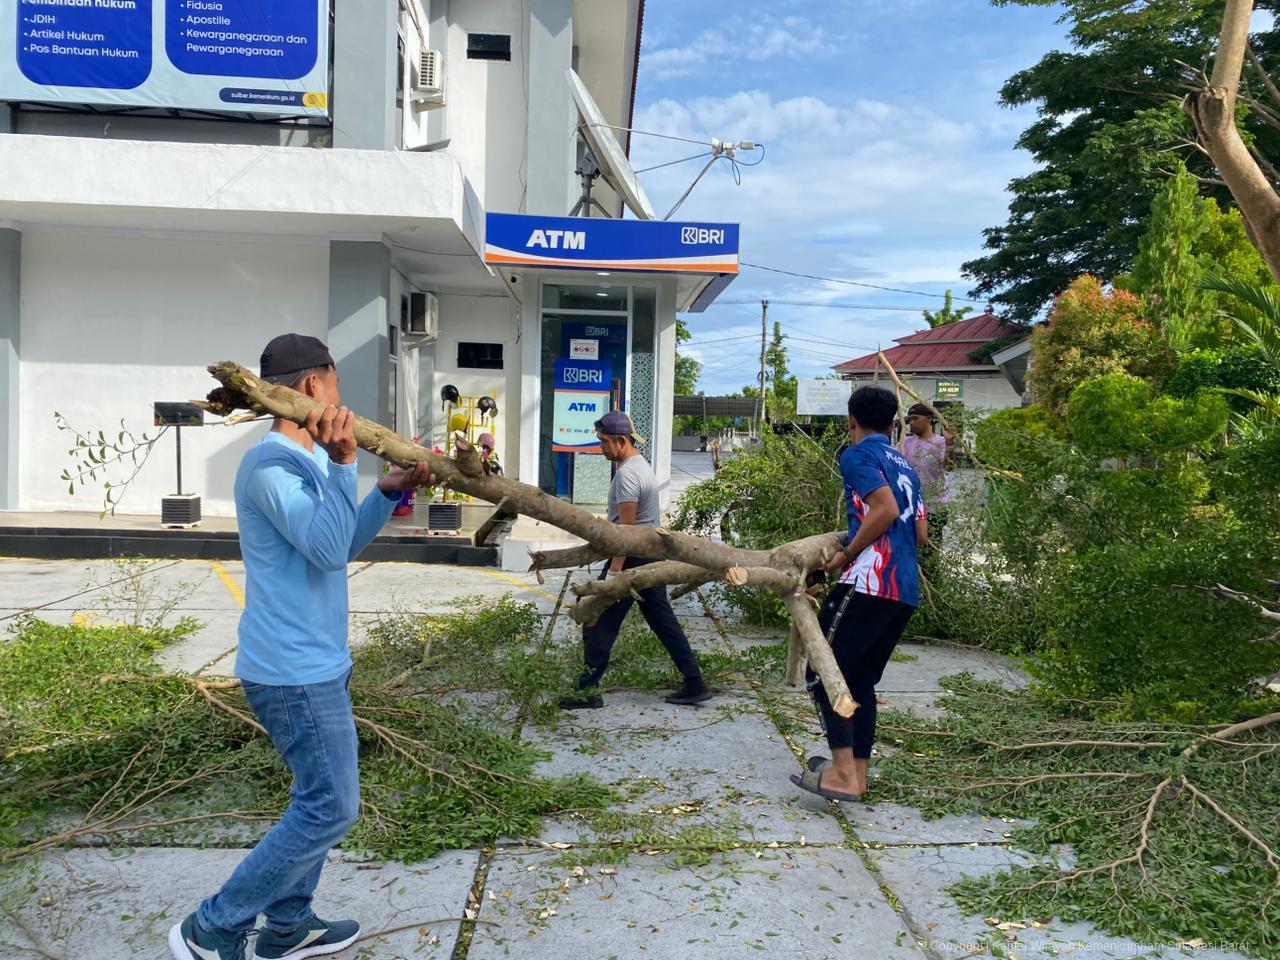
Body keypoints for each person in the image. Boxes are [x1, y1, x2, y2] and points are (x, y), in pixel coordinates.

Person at [169, 334, 432, 960]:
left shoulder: (306, 461)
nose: (342, 399)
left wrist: (385, 490)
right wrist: (346, 466)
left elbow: (336, 545)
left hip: (318, 663)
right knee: (332, 808)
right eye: (336, 384)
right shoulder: (270, 467)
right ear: (314, 386)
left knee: (315, 797)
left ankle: (288, 925)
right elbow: (326, 547)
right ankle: (213, 927)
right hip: (291, 673)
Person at [790, 386, 927, 803]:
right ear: (892, 424)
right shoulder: (906, 464)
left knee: (823, 673)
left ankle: (843, 776)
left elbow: (882, 510)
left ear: (851, 421)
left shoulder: (856, 455)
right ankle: (856, 776)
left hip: (870, 581)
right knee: (861, 680)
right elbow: (919, 532)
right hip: (904, 589)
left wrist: (849, 550)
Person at [559, 410, 713, 710]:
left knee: (596, 618)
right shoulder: (640, 465)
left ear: (621, 441)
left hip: (631, 560)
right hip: (647, 558)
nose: (600, 447)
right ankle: (695, 683)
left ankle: (587, 691)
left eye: (604, 442)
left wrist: (615, 572)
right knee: (663, 622)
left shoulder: (628, 475)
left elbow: (626, 533)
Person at [902, 402, 951, 545]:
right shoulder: (905, 442)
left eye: (916, 418)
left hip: (934, 507)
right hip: (910, 506)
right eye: (909, 419)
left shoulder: (940, 442)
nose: (911, 423)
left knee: (930, 553)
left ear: (929, 418)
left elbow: (949, 467)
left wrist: (950, 443)